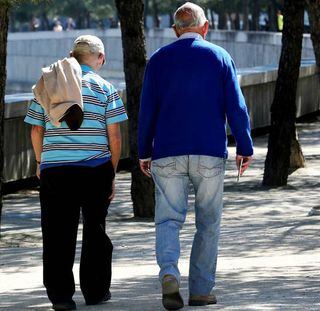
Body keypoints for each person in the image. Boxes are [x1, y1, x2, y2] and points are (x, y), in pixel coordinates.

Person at [138, 2, 254, 310]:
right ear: (205, 27)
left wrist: (143, 151)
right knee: (208, 222)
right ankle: (201, 290)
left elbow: (147, 108)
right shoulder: (219, 57)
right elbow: (236, 107)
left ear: (175, 29)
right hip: (209, 152)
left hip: (167, 152)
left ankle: (169, 274)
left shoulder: (158, 60)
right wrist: (245, 146)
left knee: (167, 219)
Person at [24, 35, 128, 311]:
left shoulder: (48, 84)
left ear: (72, 55)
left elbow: (36, 129)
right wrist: (112, 171)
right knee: (95, 231)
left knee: (57, 233)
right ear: (100, 59)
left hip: (56, 171)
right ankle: (95, 292)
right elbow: (115, 136)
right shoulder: (106, 88)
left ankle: (60, 297)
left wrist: (40, 161)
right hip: (95, 170)